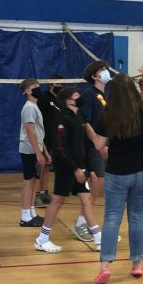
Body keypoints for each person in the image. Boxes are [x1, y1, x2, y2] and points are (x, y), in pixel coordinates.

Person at [91, 67, 143, 284]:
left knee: (112, 217)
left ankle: (105, 266)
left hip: (118, 172)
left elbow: (98, 145)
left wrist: (88, 128)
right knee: (137, 217)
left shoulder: (107, 115)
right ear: (133, 90)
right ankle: (137, 264)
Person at [34, 87, 102, 254]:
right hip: (66, 168)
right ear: (68, 100)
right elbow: (60, 148)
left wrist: (90, 168)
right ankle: (42, 239)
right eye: (77, 95)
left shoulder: (78, 117)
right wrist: (74, 169)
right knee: (57, 201)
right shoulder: (62, 119)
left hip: (79, 168)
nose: (80, 97)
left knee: (86, 201)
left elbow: (84, 145)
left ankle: (99, 239)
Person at [77, 61, 111, 237]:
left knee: (100, 185)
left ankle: (86, 221)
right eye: (102, 70)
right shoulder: (89, 93)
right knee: (97, 182)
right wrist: (97, 142)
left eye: (105, 69)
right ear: (94, 76)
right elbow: (85, 121)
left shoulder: (106, 94)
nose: (105, 72)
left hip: (105, 143)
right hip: (91, 144)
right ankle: (82, 223)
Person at [17, 77, 48, 227]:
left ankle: (31, 213)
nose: (38, 88)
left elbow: (38, 131)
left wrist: (44, 150)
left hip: (35, 148)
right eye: (35, 87)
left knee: (33, 181)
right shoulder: (29, 107)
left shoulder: (34, 106)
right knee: (29, 182)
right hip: (29, 149)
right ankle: (25, 217)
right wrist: (38, 152)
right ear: (27, 91)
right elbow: (29, 130)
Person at [36, 76, 63, 204]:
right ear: (51, 84)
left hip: (55, 137)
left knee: (48, 165)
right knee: (40, 165)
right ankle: (36, 195)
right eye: (58, 83)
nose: (60, 86)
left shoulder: (60, 99)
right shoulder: (43, 97)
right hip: (43, 136)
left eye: (62, 84)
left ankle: (43, 192)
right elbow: (38, 117)